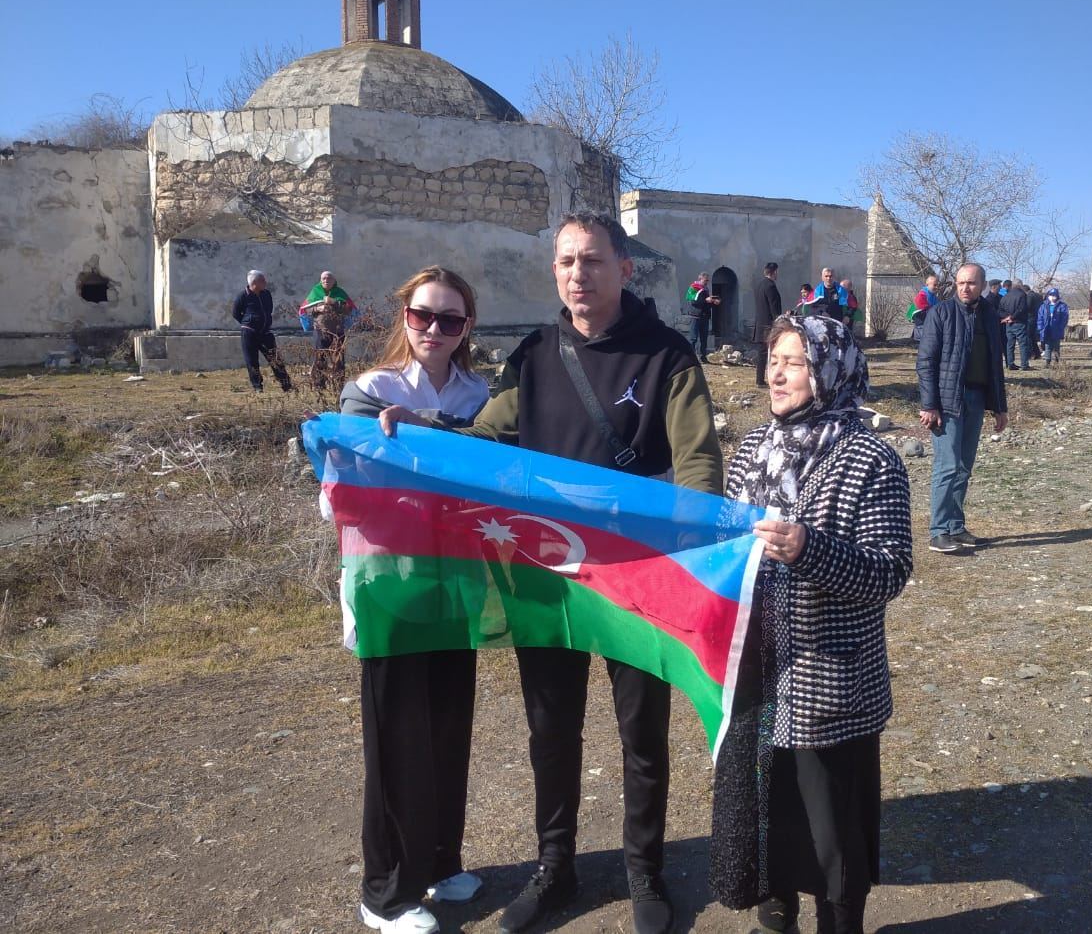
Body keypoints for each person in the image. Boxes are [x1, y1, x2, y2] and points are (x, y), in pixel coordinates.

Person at [460, 212, 722, 934]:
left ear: (623, 268)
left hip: (637, 572)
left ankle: (645, 868)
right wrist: (401, 438)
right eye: (568, 261)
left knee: (643, 728)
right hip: (546, 573)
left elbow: (696, 456)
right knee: (552, 727)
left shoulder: (667, 354)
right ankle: (555, 867)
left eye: (594, 260)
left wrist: (694, 536)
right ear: (555, 271)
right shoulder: (535, 355)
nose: (580, 273)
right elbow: (485, 440)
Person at [710, 314, 913, 934]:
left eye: (795, 361)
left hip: (831, 681)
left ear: (829, 370)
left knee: (830, 825)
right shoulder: (751, 448)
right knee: (765, 812)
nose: (776, 371)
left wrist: (808, 549)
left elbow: (888, 573)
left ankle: (838, 919)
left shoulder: (870, 458)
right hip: (755, 674)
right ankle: (776, 914)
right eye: (773, 357)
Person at [339, 266, 491, 934]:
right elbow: (348, 456)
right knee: (396, 737)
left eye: (450, 320)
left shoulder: (479, 393)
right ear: (403, 316)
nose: (435, 329)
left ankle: (437, 860)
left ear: (468, 328)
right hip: (390, 581)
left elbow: (496, 460)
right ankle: (385, 892)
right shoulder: (367, 391)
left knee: (447, 725)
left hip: (456, 579)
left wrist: (426, 430)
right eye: (423, 315)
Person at [917, 263, 1008, 553]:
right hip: (946, 403)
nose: (965, 288)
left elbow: (996, 365)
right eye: (960, 283)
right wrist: (929, 405)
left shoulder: (990, 317)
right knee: (947, 466)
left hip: (977, 399)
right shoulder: (941, 313)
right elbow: (926, 362)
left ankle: (955, 525)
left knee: (964, 467)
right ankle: (938, 530)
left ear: (981, 285)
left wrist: (1000, 407)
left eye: (970, 283)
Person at [232, 270, 293, 393]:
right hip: (249, 333)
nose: (266, 282)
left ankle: (286, 385)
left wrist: (264, 322)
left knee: (275, 359)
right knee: (252, 361)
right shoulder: (242, 296)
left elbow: (268, 309)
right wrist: (247, 323)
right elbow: (236, 313)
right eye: (263, 280)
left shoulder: (266, 294)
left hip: (265, 332)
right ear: (255, 282)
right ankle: (258, 387)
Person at [304, 270, 355, 392]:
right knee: (320, 358)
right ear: (320, 281)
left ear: (334, 281)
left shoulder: (340, 292)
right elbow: (305, 309)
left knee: (339, 358)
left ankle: (338, 384)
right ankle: (319, 384)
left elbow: (348, 309)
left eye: (329, 278)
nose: (326, 280)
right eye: (323, 279)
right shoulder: (315, 292)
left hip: (337, 332)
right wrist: (318, 307)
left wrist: (334, 302)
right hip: (321, 330)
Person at [752, 261, 783, 387]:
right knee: (768, 353)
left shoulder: (759, 285)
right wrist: (779, 323)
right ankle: (763, 380)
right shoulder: (770, 286)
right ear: (774, 271)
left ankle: (760, 379)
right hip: (768, 326)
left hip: (760, 323)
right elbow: (774, 308)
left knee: (762, 353)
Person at [685, 271, 719, 362]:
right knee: (693, 338)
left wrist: (713, 302)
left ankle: (703, 357)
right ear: (700, 279)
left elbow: (706, 304)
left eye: (708, 281)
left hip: (705, 317)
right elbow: (693, 301)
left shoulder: (705, 289)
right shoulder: (693, 287)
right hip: (695, 316)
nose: (707, 282)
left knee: (704, 338)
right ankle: (690, 358)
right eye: (705, 280)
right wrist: (705, 300)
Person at [999, 280, 1031, 370]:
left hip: (1008, 324)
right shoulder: (1022, 295)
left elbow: (1000, 310)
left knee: (1010, 344)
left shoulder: (1005, 296)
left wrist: (1007, 317)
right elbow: (1021, 309)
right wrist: (1012, 317)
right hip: (1019, 322)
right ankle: (1024, 364)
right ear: (1020, 285)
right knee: (1022, 344)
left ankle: (1010, 363)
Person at [1036, 287, 1070, 366]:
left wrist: (1061, 327)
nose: (1052, 297)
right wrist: (1040, 328)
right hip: (1046, 329)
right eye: (1051, 295)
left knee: (1056, 346)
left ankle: (1057, 361)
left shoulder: (1062, 306)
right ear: (1048, 296)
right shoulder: (1043, 306)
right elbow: (1040, 318)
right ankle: (1047, 362)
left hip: (1056, 329)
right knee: (1047, 346)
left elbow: (1064, 318)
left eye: (1054, 295)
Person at [909, 275, 939, 343]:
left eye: (937, 285)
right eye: (934, 285)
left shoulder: (933, 296)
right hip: (921, 323)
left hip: (926, 324)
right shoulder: (922, 295)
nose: (936, 287)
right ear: (927, 284)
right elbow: (923, 309)